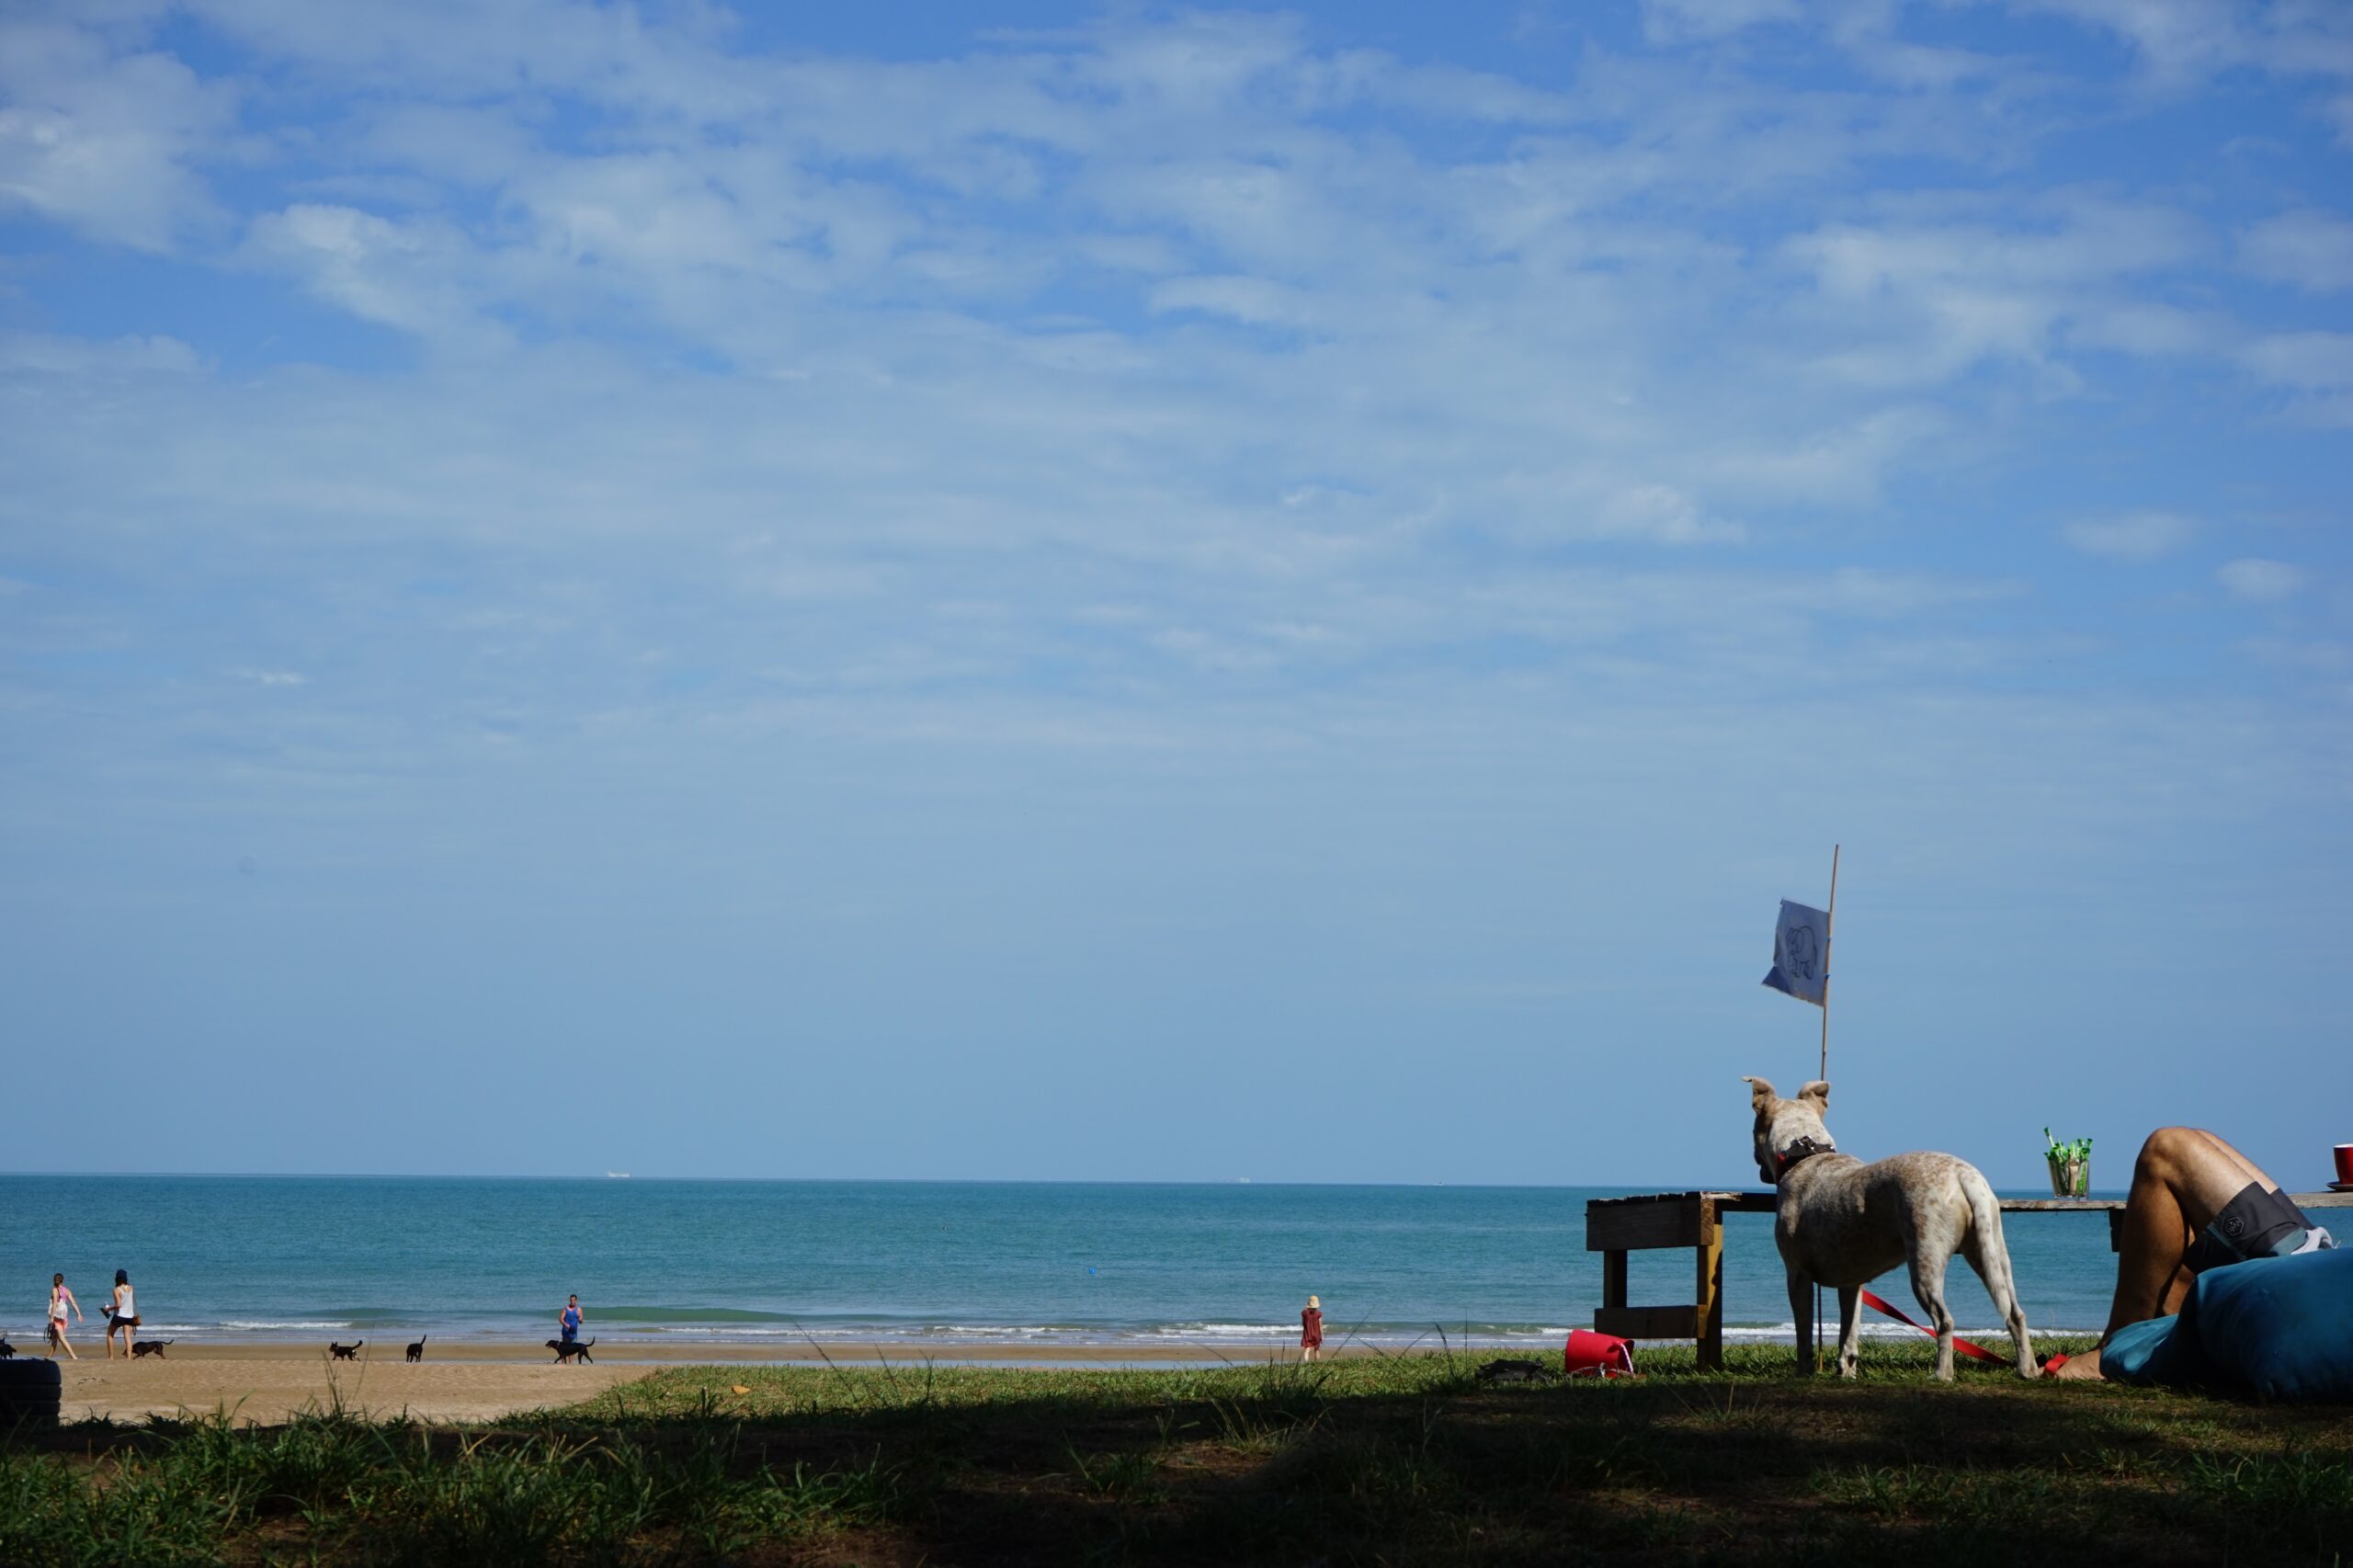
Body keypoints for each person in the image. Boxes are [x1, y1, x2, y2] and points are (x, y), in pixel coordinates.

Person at [2052, 1127, 2334, 1382]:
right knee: (2200, 1148)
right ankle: (2171, 1331)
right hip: (2322, 1265)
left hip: (2308, 1290)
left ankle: (2114, 1350)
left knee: (2166, 1148)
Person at [105, 1269, 140, 1359]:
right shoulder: (131, 1287)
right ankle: (129, 1358)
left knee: (110, 1335)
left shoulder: (116, 1290)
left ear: (117, 1278)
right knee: (127, 1337)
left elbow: (118, 1305)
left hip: (119, 1316)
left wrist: (109, 1309)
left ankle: (111, 1357)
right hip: (129, 1316)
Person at [48, 1272, 83, 1359]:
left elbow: (55, 1303)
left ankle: (74, 1357)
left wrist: (51, 1318)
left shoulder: (54, 1290)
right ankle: (48, 1358)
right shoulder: (67, 1291)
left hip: (56, 1318)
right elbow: (73, 1303)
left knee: (62, 1339)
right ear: (62, 1281)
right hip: (64, 1318)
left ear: (54, 1280)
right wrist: (79, 1314)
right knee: (54, 1339)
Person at [1300, 1294, 1323, 1363]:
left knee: (1307, 1349)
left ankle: (1306, 1363)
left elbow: (1303, 1323)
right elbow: (1320, 1325)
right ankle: (1316, 1364)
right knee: (1317, 1349)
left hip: (1307, 1333)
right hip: (1316, 1334)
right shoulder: (1319, 1313)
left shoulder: (1304, 1312)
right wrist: (1322, 1336)